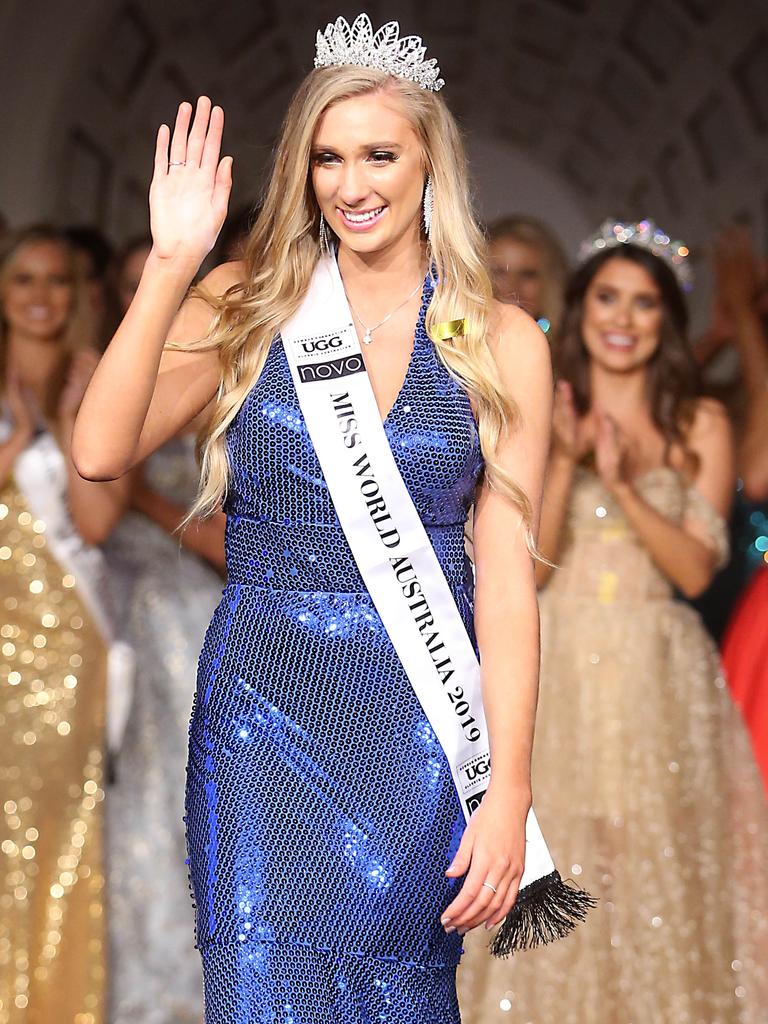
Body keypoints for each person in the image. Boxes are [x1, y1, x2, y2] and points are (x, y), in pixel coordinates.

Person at [72, 13, 590, 1022]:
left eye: (380, 155)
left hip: (417, 728)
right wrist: (174, 263)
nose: (354, 184)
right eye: (328, 158)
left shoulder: (500, 339)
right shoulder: (250, 302)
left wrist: (510, 786)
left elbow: (507, 582)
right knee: (265, 988)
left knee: (400, 995)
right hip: (262, 713)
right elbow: (98, 450)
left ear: (431, 159)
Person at [458, 220, 768, 1023]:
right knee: (561, 851)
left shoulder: (698, 420)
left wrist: (628, 484)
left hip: (656, 671)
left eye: (642, 303)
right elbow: (525, 566)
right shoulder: (539, 400)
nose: (622, 319)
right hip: (553, 660)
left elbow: (698, 569)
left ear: (666, 318)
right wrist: (562, 457)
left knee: (651, 860)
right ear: (581, 305)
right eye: (606, 298)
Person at [0, 225, 131, 1024]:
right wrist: (15, 443)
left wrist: (77, 416)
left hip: (64, 644)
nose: (41, 297)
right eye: (23, 281)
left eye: (56, 282)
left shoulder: (91, 379)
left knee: (54, 833)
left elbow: (99, 523)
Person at [102, 236, 224, 1023]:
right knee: (140, 805)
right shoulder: (113, 394)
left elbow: (237, 543)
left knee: (210, 811)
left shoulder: (234, 390)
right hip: (127, 623)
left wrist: (148, 497)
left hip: (210, 625)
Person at [486, 215, 568, 340]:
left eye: (527, 274)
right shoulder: (453, 342)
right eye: (498, 272)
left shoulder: (569, 352)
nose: (511, 288)